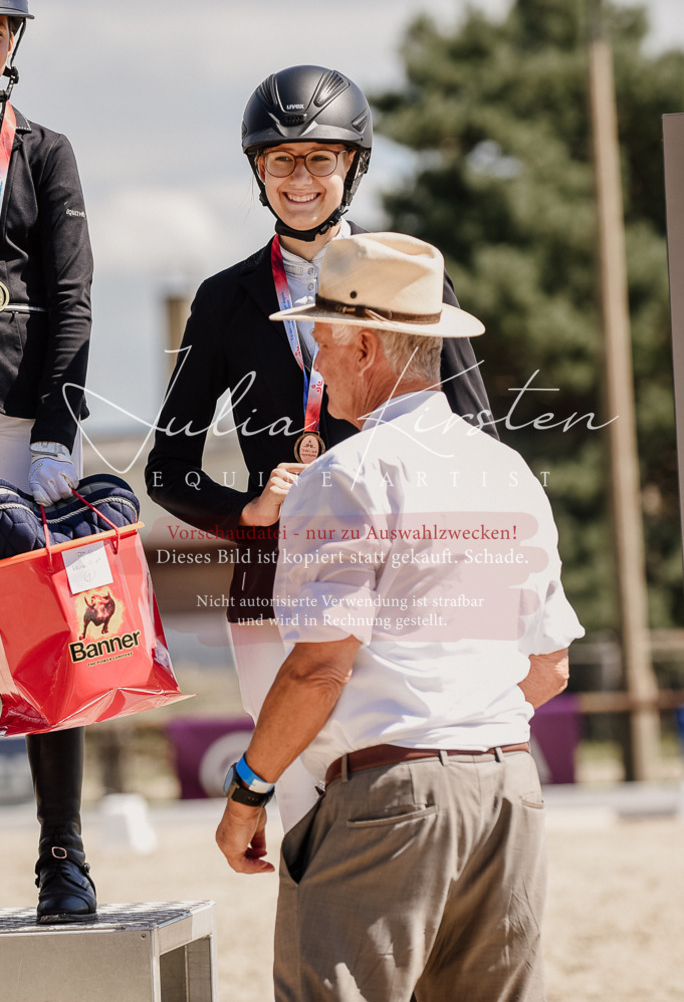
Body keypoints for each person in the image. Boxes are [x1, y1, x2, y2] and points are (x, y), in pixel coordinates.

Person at [215, 232, 584, 1002]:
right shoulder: (507, 470)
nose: (316, 362)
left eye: (323, 340)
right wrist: (459, 725)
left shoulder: (345, 475)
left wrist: (250, 788)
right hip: (509, 785)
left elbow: (320, 667)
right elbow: (549, 666)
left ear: (368, 348)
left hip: (392, 799)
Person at [146, 64, 496, 832]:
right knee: (301, 802)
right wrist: (249, 511)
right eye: (280, 160)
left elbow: (479, 436)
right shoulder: (222, 299)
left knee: (387, 795)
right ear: (257, 172)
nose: (298, 179)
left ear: (354, 166)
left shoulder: (412, 279)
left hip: (395, 580)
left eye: (319, 158)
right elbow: (168, 469)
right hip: (270, 585)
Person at [0, 0, 96, 921]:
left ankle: (61, 853)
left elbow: (71, 298)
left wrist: (58, 435)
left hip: (20, 427)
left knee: (44, 638)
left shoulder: (44, 153)